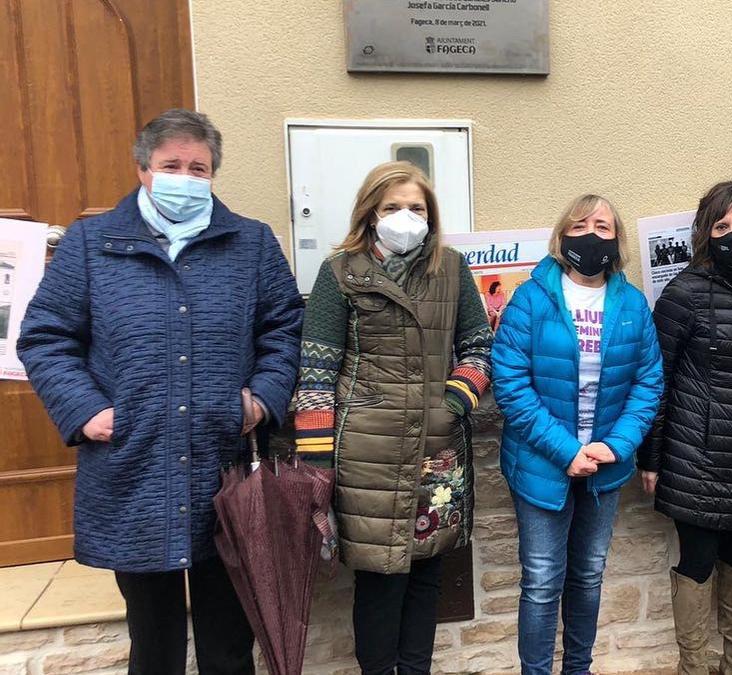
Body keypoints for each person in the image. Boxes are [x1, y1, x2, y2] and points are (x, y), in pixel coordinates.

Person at [17, 109, 303, 675]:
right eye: (172, 164)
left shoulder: (251, 243)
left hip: (224, 465)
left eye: (199, 166)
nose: (186, 176)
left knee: (228, 642)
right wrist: (85, 410)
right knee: (154, 644)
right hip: (135, 467)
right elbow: (45, 336)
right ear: (144, 169)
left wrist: (263, 398)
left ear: (214, 173)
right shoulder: (91, 242)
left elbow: (284, 328)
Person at [292, 161, 493, 674]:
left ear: (431, 215)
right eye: (392, 207)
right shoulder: (340, 272)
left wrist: (455, 401)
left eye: (416, 208)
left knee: (427, 578)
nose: (405, 217)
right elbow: (315, 375)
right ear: (370, 212)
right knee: (379, 581)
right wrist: (317, 467)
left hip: (436, 450)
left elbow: (477, 347)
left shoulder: (451, 268)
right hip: (366, 455)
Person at [492, 194, 663, 675]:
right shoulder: (531, 298)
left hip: (604, 467)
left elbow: (648, 382)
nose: (592, 234)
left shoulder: (631, 303)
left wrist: (617, 445)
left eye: (604, 227)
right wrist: (566, 450)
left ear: (618, 240)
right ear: (562, 235)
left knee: (588, 576)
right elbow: (510, 383)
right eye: (582, 224)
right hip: (542, 462)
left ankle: (579, 669)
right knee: (544, 580)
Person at [638, 181, 732, 675]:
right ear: (704, 232)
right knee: (697, 563)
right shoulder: (683, 292)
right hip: (693, 458)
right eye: (722, 226)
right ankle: (694, 667)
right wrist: (651, 459)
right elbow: (656, 380)